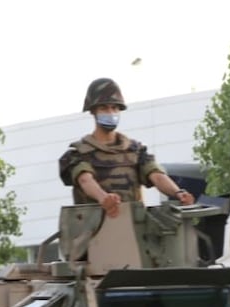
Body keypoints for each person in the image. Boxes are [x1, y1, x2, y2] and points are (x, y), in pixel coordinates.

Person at [58, 78, 196, 218]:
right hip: (94, 229)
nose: (110, 113)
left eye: (114, 108)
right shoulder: (79, 153)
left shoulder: (135, 150)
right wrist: (104, 198)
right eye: (104, 108)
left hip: (132, 228)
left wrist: (178, 193)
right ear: (93, 111)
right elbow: (85, 180)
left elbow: (156, 175)